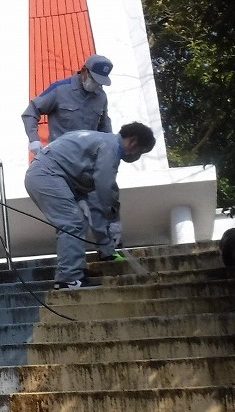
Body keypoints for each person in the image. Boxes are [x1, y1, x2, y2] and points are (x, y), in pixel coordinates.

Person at [24, 123, 156, 289]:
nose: (137, 156)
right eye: (141, 152)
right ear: (133, 141)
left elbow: (79, 171)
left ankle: (75, 271)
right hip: (46, 174)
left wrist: (81, 198)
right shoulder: (111, 146)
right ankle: (69, 279)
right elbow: (105, 184)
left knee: (79, 221)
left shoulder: (103, 141)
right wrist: (113, 219)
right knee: (72, 222)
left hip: (51, 176)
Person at [21, 53, 120, 259]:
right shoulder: (60, 90)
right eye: (94, 80)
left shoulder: (101, 97)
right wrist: (34, 139)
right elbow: (31, 112)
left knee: (102, 204)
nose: (96, 86)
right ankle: (74, 267)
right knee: (70, 218)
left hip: (89, 166)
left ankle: (109, 253)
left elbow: (104, 126)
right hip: (61, 167)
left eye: (101, 82)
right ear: (84, 71)